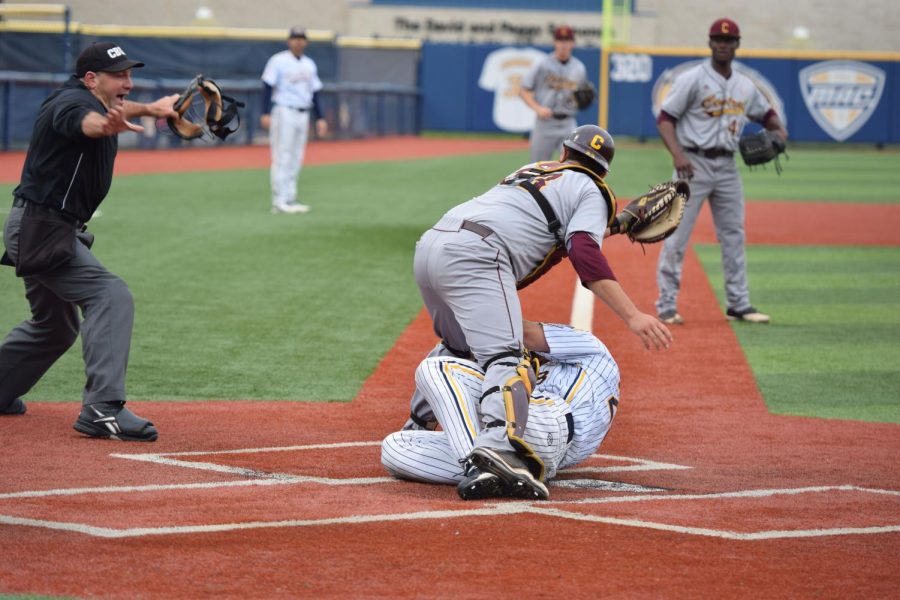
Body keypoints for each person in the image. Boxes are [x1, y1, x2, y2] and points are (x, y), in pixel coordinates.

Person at [411, 124, 672, 500]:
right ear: (603, 170)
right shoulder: (593, 189)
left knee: (459, 346)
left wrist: (618, 224)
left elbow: (557, 225)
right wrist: (633, 315)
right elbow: (583, 250)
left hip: (433, 245)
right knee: (506, 354)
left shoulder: (537, 170)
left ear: (565, 153)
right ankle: (500, 448)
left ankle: (416, 427)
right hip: (480, 254)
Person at [0, 42, 178, 440]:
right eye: (120, 75)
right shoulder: (68, 104)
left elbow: (107, 113)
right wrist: (102, 126)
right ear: (91, 79)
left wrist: (151, 109)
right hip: (41, 227)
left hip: (44, 225)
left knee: (54, 326)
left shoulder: (94, 100)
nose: (128, 83)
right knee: (110, 294)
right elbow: (85, 122)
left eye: (130, 75)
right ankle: (102, 408)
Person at [383, 320, 620, 499]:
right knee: (395, 446)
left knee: (436, 368)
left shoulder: (592, 346)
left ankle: (479, 465)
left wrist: (474, 310)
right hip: (535, 455)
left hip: (551, 421)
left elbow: (519, 331)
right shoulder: (568, 375)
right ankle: (496, 472)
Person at [655, 18, 788, 325]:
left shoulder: (744, 85)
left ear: (737, 44)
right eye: (718, 39)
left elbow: (768, 115)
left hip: (728, 166)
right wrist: (677, 155)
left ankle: (739, 303)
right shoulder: (692, 79)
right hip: (692, 164)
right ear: (710, 43)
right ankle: (666, 305)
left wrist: (780, 133)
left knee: (733, 235)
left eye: (729, 40)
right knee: (676, 235)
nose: (723, 44)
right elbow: (665, 117)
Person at [260, 26, 328, 215]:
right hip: (284, 111)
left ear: (306, 42)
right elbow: (266, 86)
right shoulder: (278, 60)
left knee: (297, 156)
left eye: (301, 38)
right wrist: (265, 112)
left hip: (303, 113)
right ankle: (279, 200)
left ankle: (290, 197)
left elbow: (315, 92)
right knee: (282, 155)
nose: (298, 41)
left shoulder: (309, 64)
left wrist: (320, 117)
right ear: (289, 41)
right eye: (295, 38)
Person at [519, 25, 589, 162]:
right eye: (560, 40)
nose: (563, 44)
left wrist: (582, 100)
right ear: (554, 42)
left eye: (567, 40)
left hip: (568, 123)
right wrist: (537, 108)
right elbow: (524, 90)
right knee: (538, 168)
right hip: (545, 124)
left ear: (572, 43)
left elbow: (582, 95)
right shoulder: (542, 64)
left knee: (574, 166)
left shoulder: (579, 68)